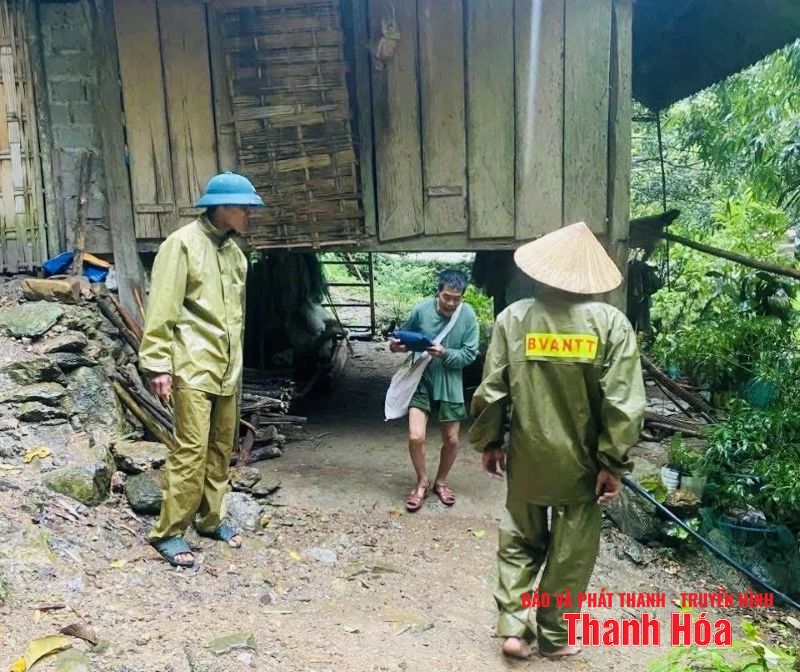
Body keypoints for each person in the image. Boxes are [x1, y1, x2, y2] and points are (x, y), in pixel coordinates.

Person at [469, 221, 646, 660]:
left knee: (519, 539)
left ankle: (513, 627)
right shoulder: (610, 325)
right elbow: (623, 406)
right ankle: (553, 636)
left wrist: (492, 442)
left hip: (527, 458)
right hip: (582, 468)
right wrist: (613, 463)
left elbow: (492, 390)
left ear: (541, 271)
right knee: (571, 553)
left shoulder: (514, 319)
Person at [138, 171, 264, 568]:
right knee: (191, 450)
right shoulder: (182, 245)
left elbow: (237, 318)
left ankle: (211, 519)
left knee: (221, 447)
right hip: (191, 365)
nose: (249, 214)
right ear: (223, 207)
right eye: (244, 207)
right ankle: (169, 532)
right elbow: (162, 308)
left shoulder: (235, 254)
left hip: (227, 368)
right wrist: (158, 363)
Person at [389, 269, 480, 512]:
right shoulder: (421, 310)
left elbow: (470, 354)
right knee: (415, 436)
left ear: (462, 297)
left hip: (450, 381)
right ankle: (422, 482)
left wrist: (446, 353)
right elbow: (403, 339)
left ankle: (440, 482)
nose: (450, 302)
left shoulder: (468, 316)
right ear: (437, 292)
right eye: (446, 296)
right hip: (422, 378)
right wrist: (396, 346)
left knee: (451, 439)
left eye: (456, 298)